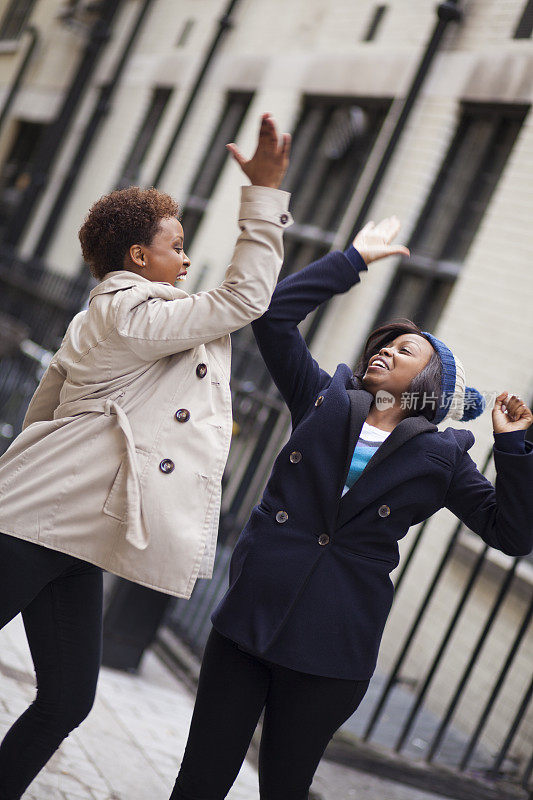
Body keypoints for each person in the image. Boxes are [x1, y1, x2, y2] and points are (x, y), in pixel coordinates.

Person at [169, 217, 533, 800]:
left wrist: (512, 446)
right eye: (385, 343)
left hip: (332, 648)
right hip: (249, 620)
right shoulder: (322, 400)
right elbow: (274, 315)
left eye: (405, 349)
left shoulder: (440, 457)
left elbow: (512, 533)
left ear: (429, 384)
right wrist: (352, 260)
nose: (387, 349)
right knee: (201, 777)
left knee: (283, 789)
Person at [0, 113, 291, 799]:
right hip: (35, 525)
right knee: (67, 697)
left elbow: (45, 408)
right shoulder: (129, 308)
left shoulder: (119, 316)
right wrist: (264, 200)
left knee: (69, 699)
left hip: (70, 530)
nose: (186, 260)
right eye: (176, 245)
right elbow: (244, 297)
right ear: (138, 257)